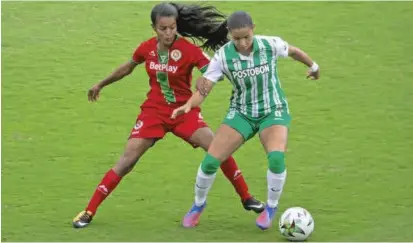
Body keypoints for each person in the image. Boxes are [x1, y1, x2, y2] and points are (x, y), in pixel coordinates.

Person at [72, 4, 265, 229]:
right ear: (154, 27)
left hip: (184, 112)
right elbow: (128, 67)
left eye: (172, 28)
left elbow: (213, 72)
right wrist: (101, 84)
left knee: (217, 149)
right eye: (162, 28)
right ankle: (89, 210)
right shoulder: (147, 48)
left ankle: (246, 197)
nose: (168, 33)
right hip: (154, 112)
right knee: (127, 161)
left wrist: (205, 82)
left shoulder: (189, 50)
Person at [172, 10, 320, 230]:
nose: (242, 43)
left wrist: (313, 66)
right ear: (230, 34)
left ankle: (270, 208)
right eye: (236, 38)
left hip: (273, 110)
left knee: (276, 159)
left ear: (253, 30)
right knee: (211, 161)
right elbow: (205, 87)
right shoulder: (223, 56)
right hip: (241, 112)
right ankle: (198, 205)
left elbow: (294, 52)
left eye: (246, 37)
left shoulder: (270, 44)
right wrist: (189, 104)